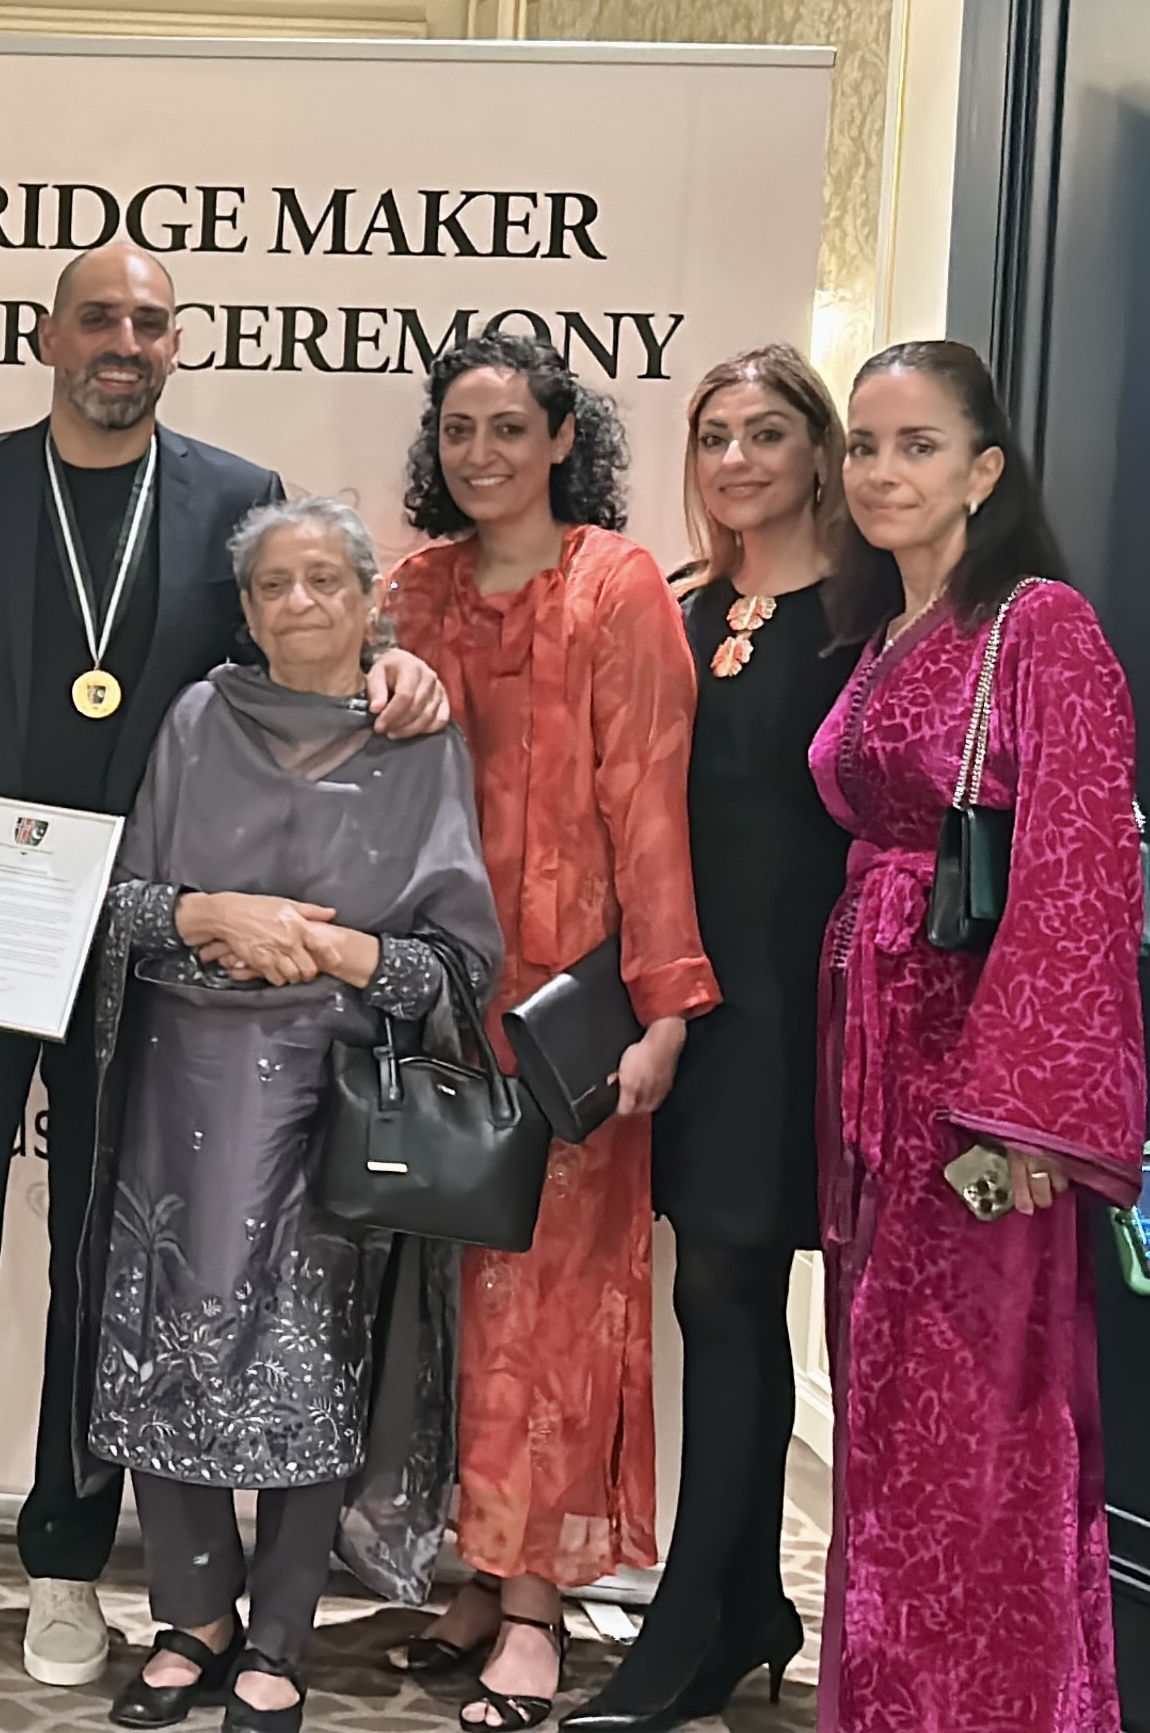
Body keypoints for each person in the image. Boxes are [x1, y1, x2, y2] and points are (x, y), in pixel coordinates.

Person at [0, 242, 450, 1701]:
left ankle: (63, 1557)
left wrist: (395, 664)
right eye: (98, 317)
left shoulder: (231, 494)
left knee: (102, 1262)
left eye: (150, 323)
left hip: (152, 940)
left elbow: (293, 665)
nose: (124, 340)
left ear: (176, 343)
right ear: (49, 336)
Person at [85, 497, 500, 1733]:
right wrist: (211, 916)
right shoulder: (195, 720)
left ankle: (277, 1636)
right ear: (248, 609)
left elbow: (456, 966)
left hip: (338, 1102)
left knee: (312, 1366)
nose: (300, 601)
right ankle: (190, 1620)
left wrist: (334, 950)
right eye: (273, 584)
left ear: (371, 602)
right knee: (165, 1347)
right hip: (183, 1087)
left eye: (325, 579)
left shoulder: (417, 743)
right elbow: (125, 907)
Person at [381, 334, 718, 1732]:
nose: (482, 455)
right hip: (433, 991)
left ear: (563, 437)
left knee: (556, 1305)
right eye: (459, 429)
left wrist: (665, 1005)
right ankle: (475, 1573)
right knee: (451, 1303)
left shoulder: (614, 584)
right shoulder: (412, 590)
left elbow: (650, 802)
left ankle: (533, 1608)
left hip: (571, 1006)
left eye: (510, 427)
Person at [807, 341, 1142, 1733]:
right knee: (886, 1402)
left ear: (984, 470)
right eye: (865, 445)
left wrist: (1023, 1115)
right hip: (872, 1060)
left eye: (919, 445)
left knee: (978, 1415)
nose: (882, 471)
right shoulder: (884, 629)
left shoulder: (1041, 624)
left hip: (975, 1085)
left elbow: (1080, 867)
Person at [564, 347, 852, 1732]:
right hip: (689, 1001)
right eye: (716, 436)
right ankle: (742, 1610)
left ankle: (691, 1629)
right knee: (717, 1302)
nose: (737, 460)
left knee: (735, 1287)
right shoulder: (677, 609)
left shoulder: (870, 617)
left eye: (767, 433)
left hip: (809, 1005)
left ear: (819, 450)